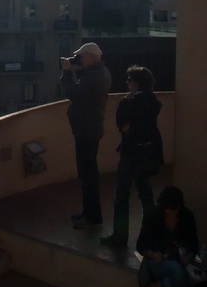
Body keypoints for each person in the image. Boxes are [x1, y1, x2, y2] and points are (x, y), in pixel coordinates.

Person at [101, 65, 163, 247]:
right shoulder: (152, 101)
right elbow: (125, 124)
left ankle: (120, 236)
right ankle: (151, 234)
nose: (127, 83)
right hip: (146, 152)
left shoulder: (134, 102)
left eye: (129, 80)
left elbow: (121, 121)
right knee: (146, 195)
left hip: (131, 153)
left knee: (122, 195)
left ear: (136, 83)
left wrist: (125, 102)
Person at [136, 185, 199, 287]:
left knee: (168, 283)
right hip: (156, 263)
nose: (171, 211)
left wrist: (188, 256)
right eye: (167, 207)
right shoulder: (153, 217)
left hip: (178, 261)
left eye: (174, 207)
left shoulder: (187, 217)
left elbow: (194, 245)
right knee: (174, 269)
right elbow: (140, 245)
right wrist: (153, 254)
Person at [60, 42, 112, 229]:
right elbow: (85, 90)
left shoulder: (96, 76)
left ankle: (92, 216)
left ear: (90, 56)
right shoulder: (99, 73)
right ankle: (88, 213)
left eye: (81, 56)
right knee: (87, 175)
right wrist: (79, 69)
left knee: (88, 176)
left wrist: (67, 72)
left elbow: (73, 93)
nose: (79, 59)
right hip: (89, 129)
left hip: (86, 131)